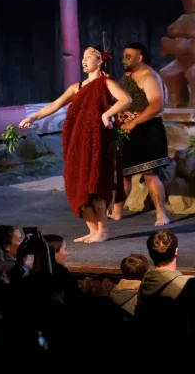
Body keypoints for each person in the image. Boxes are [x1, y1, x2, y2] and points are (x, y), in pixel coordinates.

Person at [20, 47, 130, 243]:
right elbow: (55, 105)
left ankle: (102, 231)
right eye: (82, 58)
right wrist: (33, 116)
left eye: (88, 57)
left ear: (100, 61)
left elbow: (125, 99)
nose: (84, 61)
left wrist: (106, 114)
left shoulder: (106, 83)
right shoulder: (76, 87)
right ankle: (92, 229)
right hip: (78, 141)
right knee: (76, 183)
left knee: (95, 184)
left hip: (98, 141)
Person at [110, 42, 171, 226]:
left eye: (129, 56)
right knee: (124, 174)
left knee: (150, 174)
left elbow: (157, 105)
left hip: (147, 130)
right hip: (128, 132)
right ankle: (116, 211)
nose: (124, 60)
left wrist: (134, 122)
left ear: (140, 57)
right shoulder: (127, 77)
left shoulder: (149, 76)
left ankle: (162, 214)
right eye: (123, 56)